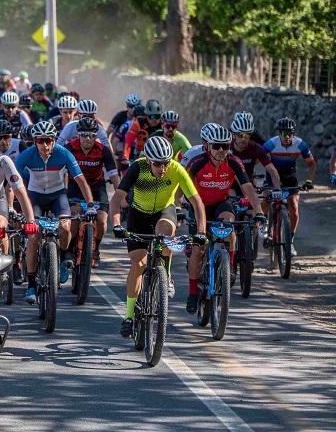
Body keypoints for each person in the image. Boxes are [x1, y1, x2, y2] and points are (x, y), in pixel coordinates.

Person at [110, 136, 205, 338]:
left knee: (165, 231)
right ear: (148, 161)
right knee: (138, 264)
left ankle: (165, 275)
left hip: (164, 211)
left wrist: (201, 232)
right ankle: (128, 316)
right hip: (139, 215)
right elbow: (116, 199)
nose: (163, 168)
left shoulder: (177, 169)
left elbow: (197, 202)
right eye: (157, 164)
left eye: (166, 163)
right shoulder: (137, 167)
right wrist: (117, 225)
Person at [183, 123, 266, 313]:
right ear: (208, 146)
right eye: (216, 146)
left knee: (230, 224)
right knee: (198, 250)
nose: (221, 150)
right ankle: (193, 293)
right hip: (198, 207)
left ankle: (228, 267)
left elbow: (248, 188)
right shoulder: (198, 162)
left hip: (221, 203)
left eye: (225, 146)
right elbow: (182, 186)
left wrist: (259, 211)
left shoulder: (234, 162)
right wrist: (180, 206)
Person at [15, 121, 95, 304]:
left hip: (58, 195)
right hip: (35, 197)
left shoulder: (63, 153)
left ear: (54, 140)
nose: (45, 145)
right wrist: (14, 206)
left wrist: (90, 205)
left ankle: (61, 258)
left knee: (66, 228)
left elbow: (81, 179)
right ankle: (31, 284)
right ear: (35, 141)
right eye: (41, 141)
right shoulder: (26, 156)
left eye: (49, 140)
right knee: (34, 236)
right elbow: (13, 182)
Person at [65, 117, 119, 265]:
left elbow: (114, 175)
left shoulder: (103, 151)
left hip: (96, 186)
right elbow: (62, 172)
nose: (87, 138)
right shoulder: (70, 148)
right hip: (75, 186)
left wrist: (122, 197)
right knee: (75, 215)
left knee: (101, 220)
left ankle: (95, 248)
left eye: (91, 135)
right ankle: (69, 250)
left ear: (96, 136)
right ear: (78, 135)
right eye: (83, 134)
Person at [261, 117, 316, 252]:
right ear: (279, 133)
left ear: (293, 133)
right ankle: (264, 224)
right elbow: (258, 158)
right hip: (272, 176)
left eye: (290, 133)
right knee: (267, 199)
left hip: (290, 177)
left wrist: (308, 182)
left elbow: (312, 165)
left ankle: (290, 240)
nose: (287, 136)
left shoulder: (300, 144)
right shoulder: (271, 144)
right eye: (284, 133)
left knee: (294, 206)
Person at [228, 112, 281, 189]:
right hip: (229, 184)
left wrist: (277, 189)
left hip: (248, 182)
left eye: (247, 136)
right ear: (233, 135)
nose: (243, 139)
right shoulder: (225, 146)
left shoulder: (256, 147)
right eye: (240, 135)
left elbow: (272, 171)